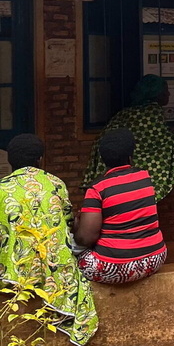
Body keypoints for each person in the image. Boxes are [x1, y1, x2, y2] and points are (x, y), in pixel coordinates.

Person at [0, 134, 98, 346]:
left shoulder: (1, 188)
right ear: (40, 160)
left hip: (17, 272)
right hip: (56, 267)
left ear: (10, 160)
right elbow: (69, 221)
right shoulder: (56, 183)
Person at [76, 128, 168, 283]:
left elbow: (86, 238)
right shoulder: (145, 178)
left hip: (117, 266)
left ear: (103, 159)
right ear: (130, 156)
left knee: (73, 256)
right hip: (156, 258)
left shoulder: (98, 188)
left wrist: (78, 224)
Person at [83, 74, 174, 200]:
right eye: (165, 91)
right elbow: (168, 143)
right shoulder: (152, 112)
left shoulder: (127, 112)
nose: (169, 94)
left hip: (108, 170)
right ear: (155, 93)